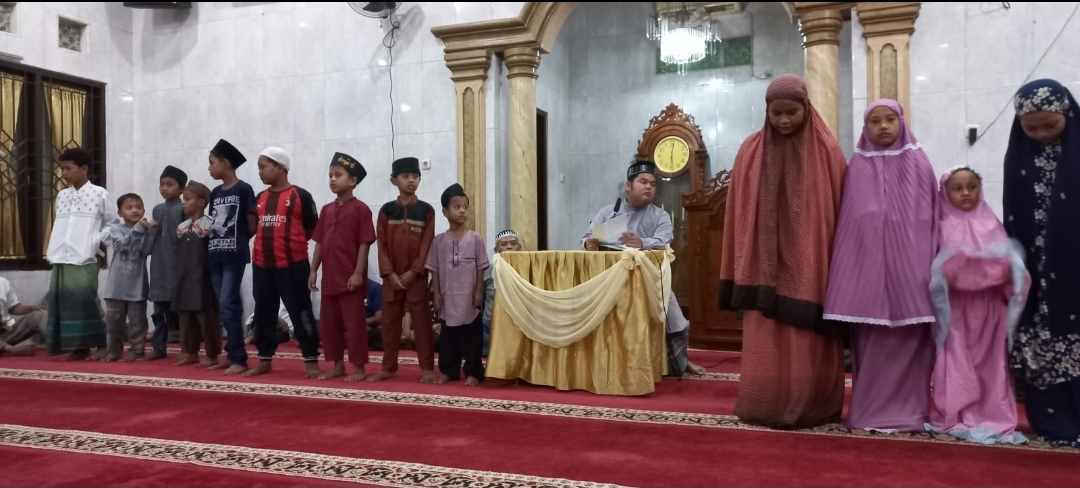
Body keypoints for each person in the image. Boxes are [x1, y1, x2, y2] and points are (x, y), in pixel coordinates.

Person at [717, 74, 847, 428]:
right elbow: (738, 211)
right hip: (763, 263)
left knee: (806, 338)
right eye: (777, 113)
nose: (784, 120)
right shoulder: (751, 150)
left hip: (811, 262)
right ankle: (765, 403)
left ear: (806, 108)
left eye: (791, 112)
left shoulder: (827, 151)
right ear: (766, 112)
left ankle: (812, 405)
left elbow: (839, 210)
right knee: (766, 336)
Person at [823, 99, 938, 432]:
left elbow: (932, 219)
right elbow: (849, 224)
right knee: (872, 347)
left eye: (890, 119)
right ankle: (868, 413)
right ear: (865, 127)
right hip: (868, 276)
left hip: (913, 272)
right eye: (875, 121)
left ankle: (912, 412)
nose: (883, 126)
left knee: (910, 342)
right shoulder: (857, 167)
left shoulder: (920, 163)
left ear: (902, 122)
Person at [926, 166, 1028, 445]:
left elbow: (1008, 266)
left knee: (990, 365)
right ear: (945, 192)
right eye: (957, 188)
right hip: (956, 311)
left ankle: (990, 413)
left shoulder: (990, 222)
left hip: (989, 310)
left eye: (971, 187)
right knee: (956, 361)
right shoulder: (941, 224)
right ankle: (955, 412)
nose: (965, 193)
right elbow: (936, 269)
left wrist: (986, 271)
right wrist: (962, 269)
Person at [1004, 79, 1080, 447]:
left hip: (1074, 264)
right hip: (1034, 267)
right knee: (1040, 338)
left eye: (1050, 125)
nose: (1041, 134)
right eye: (1031, 128)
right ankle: (1053, 421)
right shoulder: (1019, 156)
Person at [582, 160, 705, 377]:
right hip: (608, 279)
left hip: (648, 279)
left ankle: (680, 362)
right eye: (643, 182)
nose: (649, 187)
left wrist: (642, 243)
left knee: (670, 305)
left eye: (653, 184)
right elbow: (587, 237)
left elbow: (665, 242)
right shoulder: (608, 213)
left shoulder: (660, 216)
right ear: (628, 186)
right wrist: (589, 243)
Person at [246, 147, 320, 378]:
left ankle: (310, 359)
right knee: (263, 313)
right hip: (262, 266)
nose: (259, 172)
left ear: (280, 167)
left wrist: (291, 246)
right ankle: (264, 359)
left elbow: (311, 228)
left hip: (293, 265)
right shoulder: (260, 198)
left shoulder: (300, 195)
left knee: (301, 312)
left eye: (263, 167)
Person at [369, 157, 437, 383]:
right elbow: (381, 245)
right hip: (391, 278)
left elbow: (427, 245)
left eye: (415, 176)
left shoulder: (426, 211)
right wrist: (389, 273)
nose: (411, 180)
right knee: (390, 323)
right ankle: (388, 367)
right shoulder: (387, 211)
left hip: (416, 278)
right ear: (393, 180)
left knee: (422, 323)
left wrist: (413, 272)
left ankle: (427, 368)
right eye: (406, 176)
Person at [310, 152, 376, 381]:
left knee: (354, 324)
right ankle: (337, 365)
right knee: (330, 325)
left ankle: (358, 368)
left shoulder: (361, 209)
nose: (332, 179)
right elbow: (319, 242)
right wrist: (313, 270)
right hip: (329, 278)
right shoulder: (326, 210)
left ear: (353, 181)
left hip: (350, 279)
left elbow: (364, 243)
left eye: (338, 175)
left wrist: (358, 273)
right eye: (330, 175)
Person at [45, 148, 112, 360]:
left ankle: (101, 344)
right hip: (61, 256)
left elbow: (112, 223)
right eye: (62, 169)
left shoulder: (99, 193)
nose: (64, 173)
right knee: (64, 302)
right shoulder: (62, 196)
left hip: (85, 257)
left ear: (84, 169)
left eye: (68, 168)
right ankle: (78, 347)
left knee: (85, 300)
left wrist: (95, 241)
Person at [428, 184, 489, 385]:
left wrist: (478, 291)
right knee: (448, 337)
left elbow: (481, 268)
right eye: (456, 207)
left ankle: (473, 372)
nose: (462, 210)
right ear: (445, 211)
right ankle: (449, 371)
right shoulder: (438, 241)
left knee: (472, 336)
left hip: (469, 298)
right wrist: (436, 294)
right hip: (448, 298)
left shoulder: (475, 238)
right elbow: (434, 270)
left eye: (465, 207)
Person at [207, 139, 257, 375]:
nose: (209, 168)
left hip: (234, 255)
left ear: (226, 163)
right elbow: (212, 221)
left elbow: (251, 223)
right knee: (223, 305)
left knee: (228, 303)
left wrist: (238, 240)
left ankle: (239, 358)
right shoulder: (215, 192)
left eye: (212, 163)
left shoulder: (244, 189)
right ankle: (231, 353)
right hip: (214, 254)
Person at [173, 181, 223, 368]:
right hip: (184, 276)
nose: (183, 203)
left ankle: (212, 354)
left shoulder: (209, 224)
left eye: (188, 199)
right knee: (186, 316)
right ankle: (189, 351)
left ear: (202, 202)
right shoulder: (182, 226)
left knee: (206, 317)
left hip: (203, 277)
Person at [100, 193, 156, 362]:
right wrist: (138, 230)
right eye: (129, 208)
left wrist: (151, 232)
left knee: (137, 322)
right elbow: (121, 246)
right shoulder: (115, 229)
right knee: (113, 323)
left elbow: (147, 251)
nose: (134, 210)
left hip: (137, 286)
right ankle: (113, 351)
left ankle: (137, 351)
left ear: (143, 210)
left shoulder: (145, 230)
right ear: (120, 213)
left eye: (138, 207)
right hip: (115, 287)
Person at [148, 165, 187, 360]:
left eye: (169, 184)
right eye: (162, 184)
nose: (164, 188)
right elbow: (150, 243)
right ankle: (158, 347)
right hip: (159, 267)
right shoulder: (157, 210)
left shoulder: (184, 209)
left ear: (181, 189)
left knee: (182, 309)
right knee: (159, 311)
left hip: (178, 267)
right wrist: (151, 230)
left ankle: (187, 349)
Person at [482, 229, 522, 356]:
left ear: (519, 247)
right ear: (496, 249)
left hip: (517, 325)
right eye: (504, 244)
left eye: (513, 243)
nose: (509, 247)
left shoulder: (526, 269)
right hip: (491, 326)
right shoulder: (488, 271)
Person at [0, 276, 46, 356]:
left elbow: (14, 308)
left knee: (39, 315)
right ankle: (8, 349)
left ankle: (59, 345)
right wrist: (11, 349)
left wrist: (34, 308)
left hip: (5, 327)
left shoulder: (2, 281)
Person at [366, 280, 384, 351]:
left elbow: (379, 318)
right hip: (350, 326)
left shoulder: (375, 287)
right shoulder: (345, 287)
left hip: (371, 326)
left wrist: (361, 323)